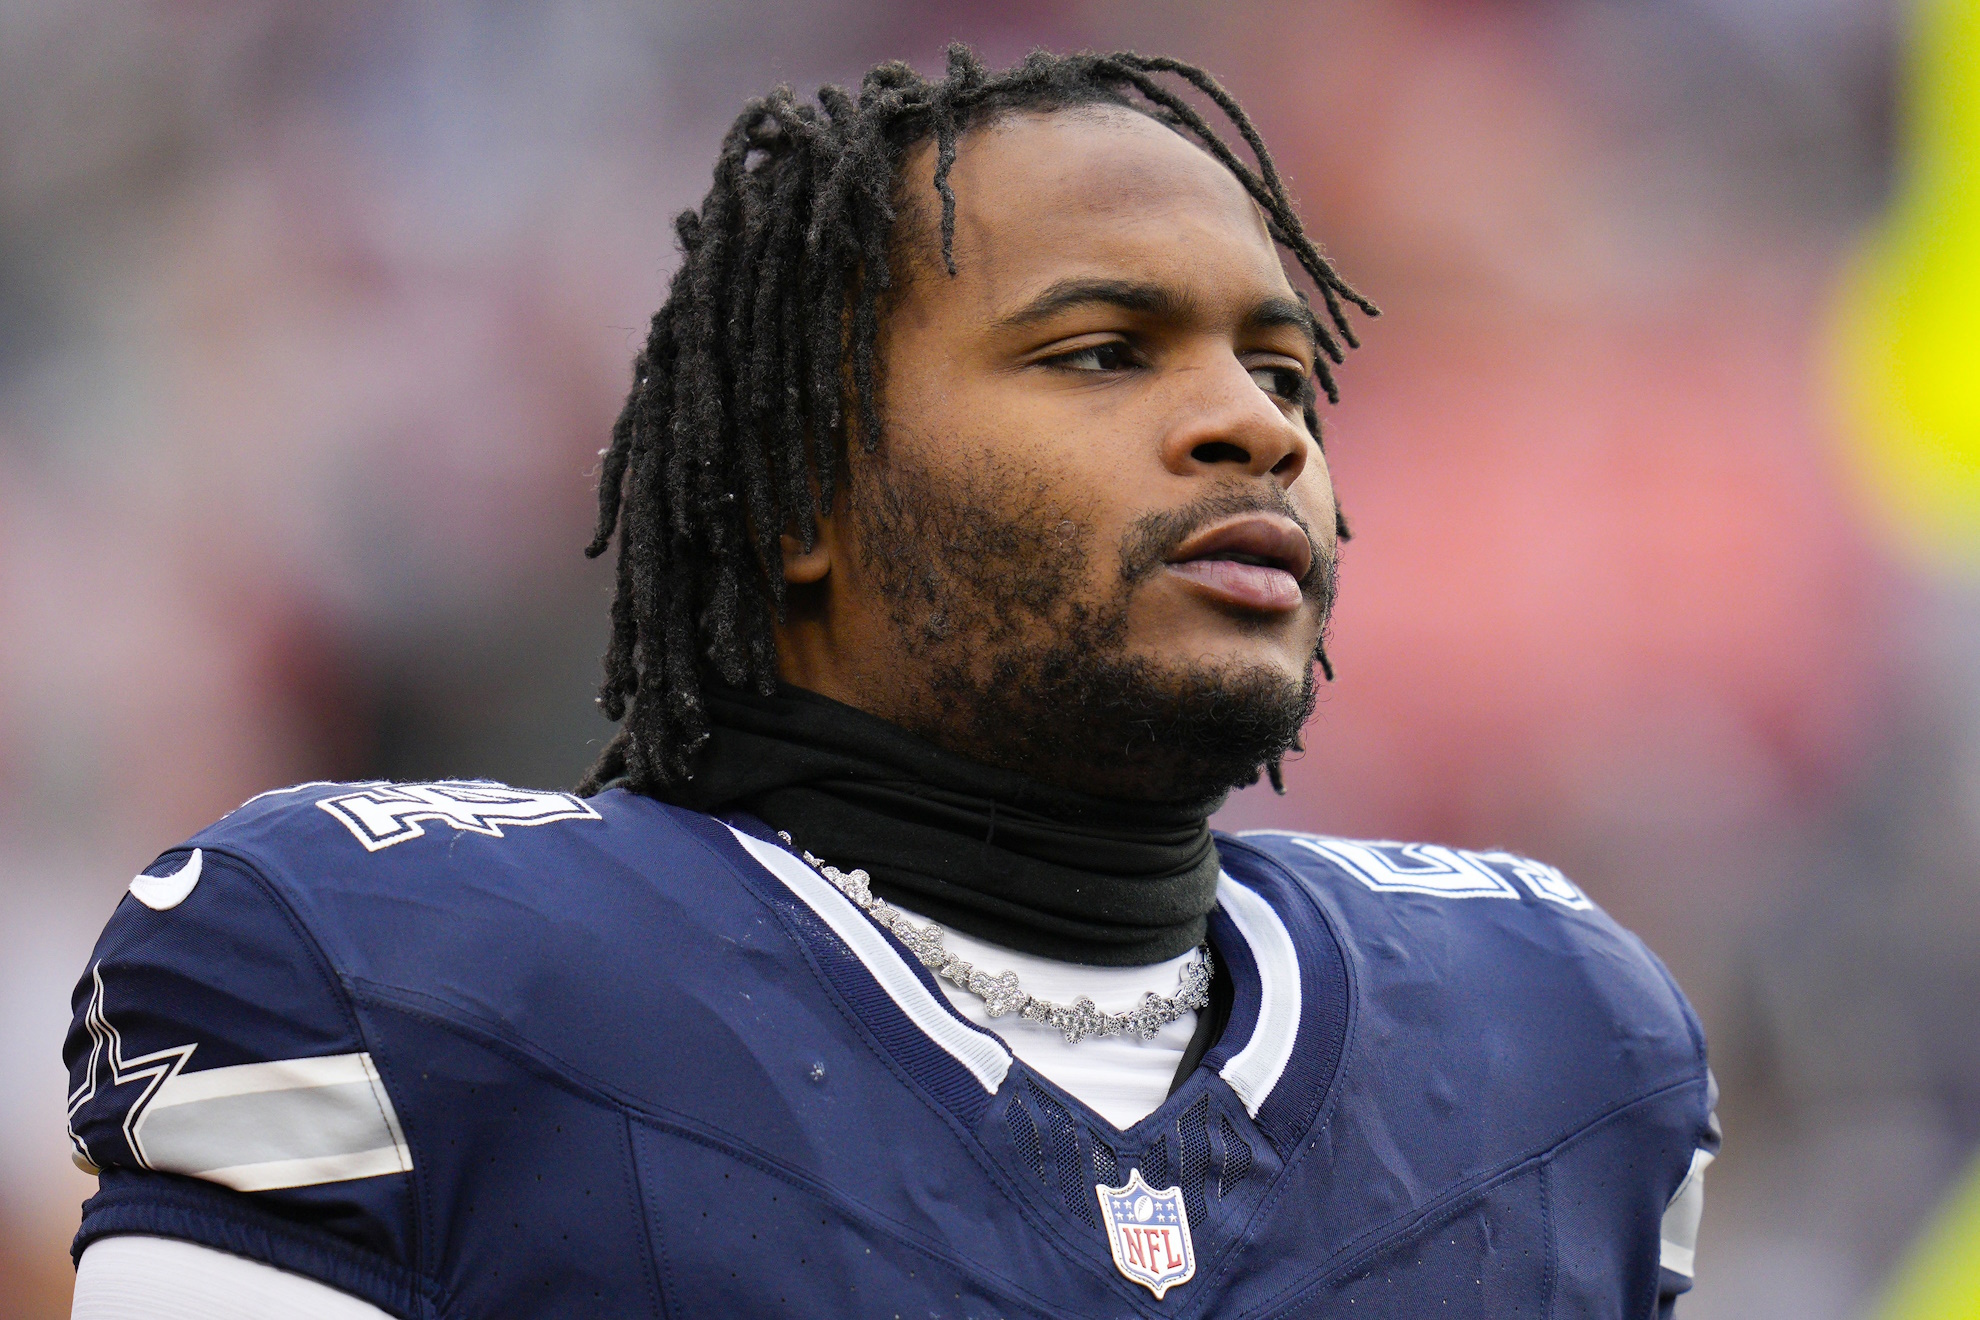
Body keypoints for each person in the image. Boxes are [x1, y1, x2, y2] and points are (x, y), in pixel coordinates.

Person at [64, 47, 1717, 1318]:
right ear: (796, 490)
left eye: (1284, 370)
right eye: (1101, 350)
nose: (1259, 427)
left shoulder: (1558, 1044)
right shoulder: (392, 980)